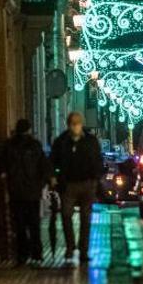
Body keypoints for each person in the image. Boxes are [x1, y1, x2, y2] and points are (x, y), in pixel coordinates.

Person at [0, 119, 52, 265]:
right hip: (32, 192)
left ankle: (22, 254)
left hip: (16, 191)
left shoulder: (9, 146)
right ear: (29, 130)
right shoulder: (34, 145)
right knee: (34, 223)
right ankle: (37, 254)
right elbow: (44, 167)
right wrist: (42, 184)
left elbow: (1, 165)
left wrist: (5, 177)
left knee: (19, 224)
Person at [51, 112, 103, 263]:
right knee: (66, 215)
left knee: (85, 218)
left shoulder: (90, 141)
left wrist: (95, 177)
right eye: (73, 123)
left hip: (87, 183)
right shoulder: (61, 141)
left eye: (78, 123)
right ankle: (70, 246)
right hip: (68, 184)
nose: (75, 126)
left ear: (81, 124)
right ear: (68, 125)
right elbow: (53, 161)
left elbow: (97, 160)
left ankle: (83, 250)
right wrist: (54, 177)